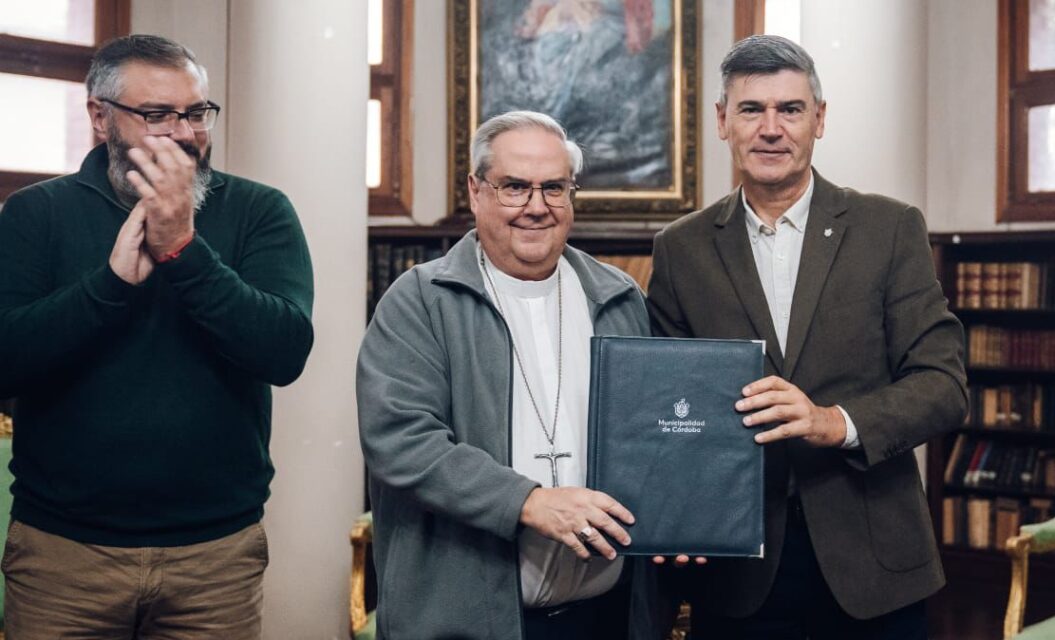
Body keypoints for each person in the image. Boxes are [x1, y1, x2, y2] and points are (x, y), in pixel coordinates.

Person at [646, 35, 968, 639]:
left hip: (875, 564)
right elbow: (667, 408)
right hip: (735, 568)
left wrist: (833, 421)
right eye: (751, 110)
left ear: (818, 119)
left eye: (790, 109)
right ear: (722, 121)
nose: (771, 129)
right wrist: (670, 515)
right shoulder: (680, 249)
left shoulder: (889, 228)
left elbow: (943, 386)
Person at [0, 35, 314, 638]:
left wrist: (182, 250)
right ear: (100, 117)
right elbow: (5, 361)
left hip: (215, 555)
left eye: (195, 113)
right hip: (63, 554)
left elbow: (283, 350)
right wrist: (110, 285)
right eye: (156, 115)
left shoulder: (259, 210)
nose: (182, 132)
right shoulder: (35, 214)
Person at [357, 111, 651, 639]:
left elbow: (657, 435)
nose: (536, 208)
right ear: (476, 191)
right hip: (468, 620)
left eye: (554, 188)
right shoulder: (421, 300)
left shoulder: (619, 297)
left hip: (605, 617)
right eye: (515, 187)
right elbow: (400, 440)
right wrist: (528, 502)